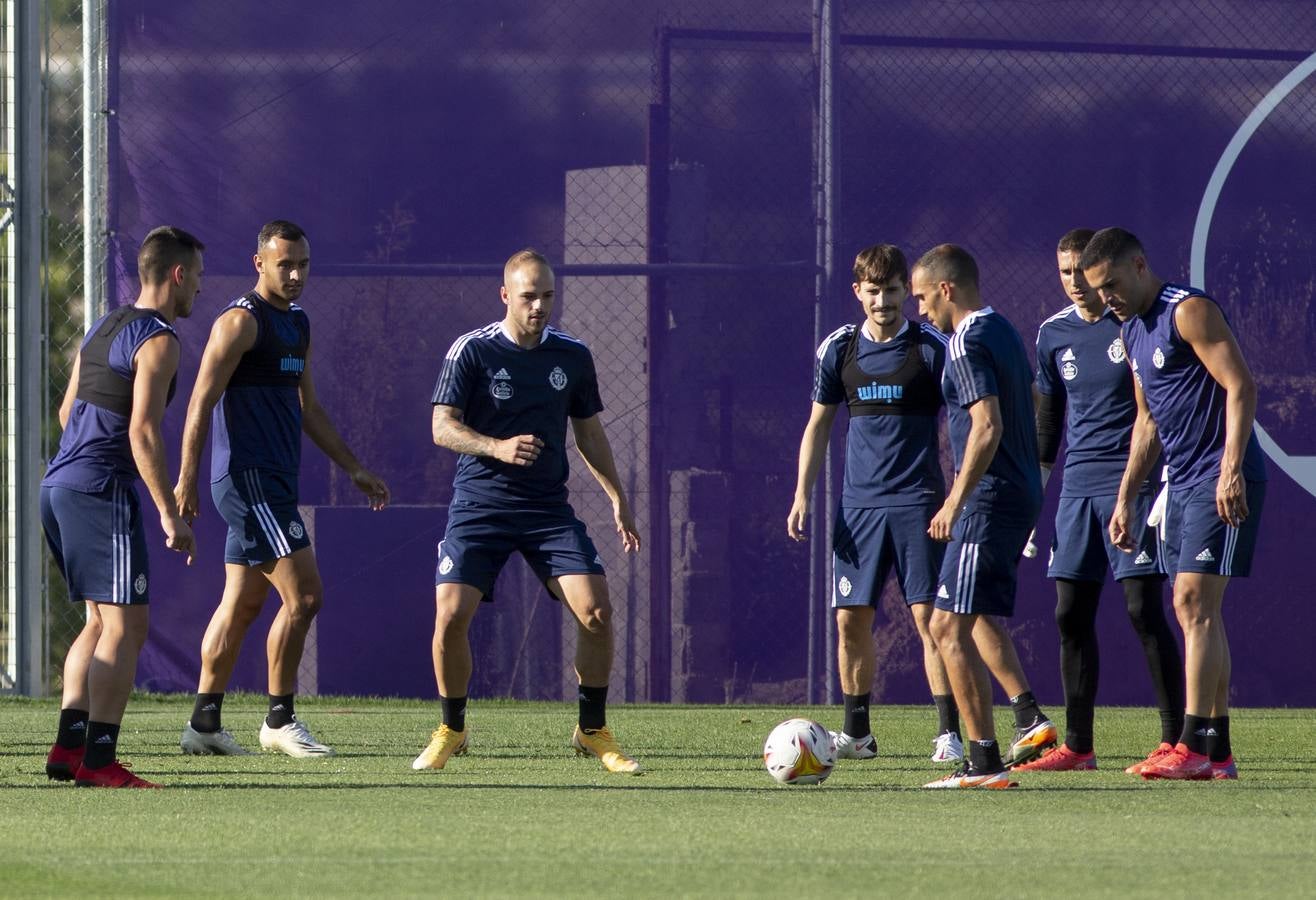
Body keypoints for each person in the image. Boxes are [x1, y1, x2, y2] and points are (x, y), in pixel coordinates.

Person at [414, 248, 642, 774]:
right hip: (480, 505)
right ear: (505, 296)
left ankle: (592, 731)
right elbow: (440, 426)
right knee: (450, 615)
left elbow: (588, 433)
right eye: (528, 297)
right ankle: (452, 729)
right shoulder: (470, 351)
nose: (539, 306)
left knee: (597, 613)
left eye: (547, 296)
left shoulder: (572, 356)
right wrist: (496, 447)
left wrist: (617, 498)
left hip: (545, 508)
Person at [176, 220, 390, 758]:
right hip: (248, 481)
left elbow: (308, 409)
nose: (295, 275)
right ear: (260, 264)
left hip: (270, 481)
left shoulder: (298, 324)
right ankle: (279, 719)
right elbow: (200, 402)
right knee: (306, 595)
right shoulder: (239, 323)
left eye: (303, 265)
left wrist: (354, 468)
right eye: (283, 264)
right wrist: (185, 479)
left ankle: (203, 725)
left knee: (243, 602)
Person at [1080, 227, 1265, 780]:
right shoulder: (1131, 330)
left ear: (1139, 265)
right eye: (1097, 288)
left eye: (1111, 283)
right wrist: (1125, 497)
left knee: (1190, 602)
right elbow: (1148, 419)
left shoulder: (1187, 311)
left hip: (1220, 476)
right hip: (1179, 482)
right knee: (1198, 613)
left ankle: (1189, 745)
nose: (1105, 295)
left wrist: (1231, 467)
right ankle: (1217, 752)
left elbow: (1241, 386)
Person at [1015, 229, 1185, 773]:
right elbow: (1047, 428)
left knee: (1142, 609)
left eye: (1081, 274)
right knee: (1069, 614)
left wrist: (1140, 487)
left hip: (1127, 485)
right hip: (1077, 492)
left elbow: (1149, 411)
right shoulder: (1052, 335)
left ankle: (1175, 738)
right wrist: (1031, 504)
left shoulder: (1131, 324)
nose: (1075, 284)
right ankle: (1078, 747)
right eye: (1064, 273)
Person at [787, 243, 963, 765]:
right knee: (850, 621)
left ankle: (948, 734)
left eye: (892, 291)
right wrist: (801, 494)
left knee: (930, 620)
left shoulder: (932, 347)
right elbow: (817, 426)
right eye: (873, 290)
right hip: (858, 510)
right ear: (857, 292)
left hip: (919, 505)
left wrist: (956, 497)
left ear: (905, 291)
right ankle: (857, 734)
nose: (883, 301)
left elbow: (964, 423)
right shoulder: (838, 350)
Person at [42, 226, 203, 788]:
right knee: (128, 628)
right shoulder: (159, 339)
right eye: (198, 277)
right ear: (178, 275)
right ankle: (100, 760)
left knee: (98, 621)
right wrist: (168, 512)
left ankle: (68, 750)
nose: (199, 291)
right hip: (99, 489)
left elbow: (67, 413)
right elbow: (143, 432)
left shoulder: (105, 325)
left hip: (60, 484)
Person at [912, 244, 1058, 789]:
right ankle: (1027, 720)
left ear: (946, 289)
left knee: (945, 624)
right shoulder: (1003, 330)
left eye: (924, 298)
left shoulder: (966, 340)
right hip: (1014, 494)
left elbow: (987, 425)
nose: (921, 310)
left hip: (988, 498)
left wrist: (955, 500)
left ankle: (984, 762)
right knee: (968, 618)